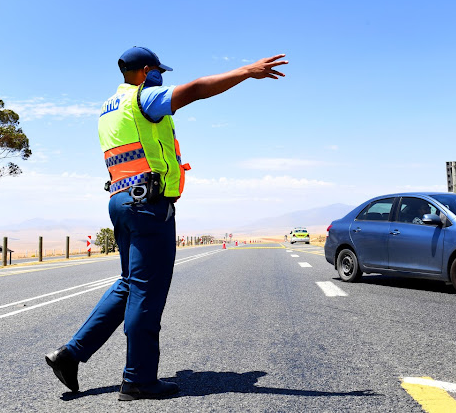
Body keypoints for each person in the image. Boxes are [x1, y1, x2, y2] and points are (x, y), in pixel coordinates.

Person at [45, 46, 287, 400]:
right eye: (159, 72)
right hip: (148, 206)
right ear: (145, 70)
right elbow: (199, 89)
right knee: (146, 291)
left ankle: (70, 355)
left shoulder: (109, 107)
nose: (162, 78)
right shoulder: (145, 98)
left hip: (121, 200)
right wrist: (246, 71)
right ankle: (138, 380)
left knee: (129, 283)